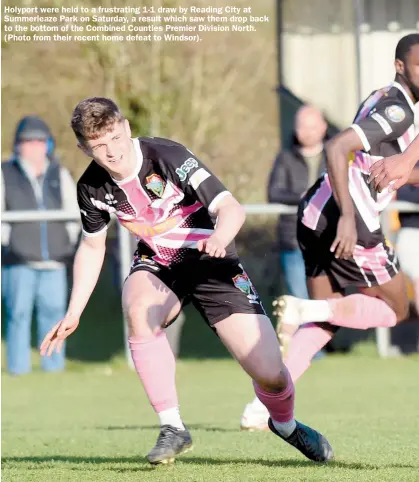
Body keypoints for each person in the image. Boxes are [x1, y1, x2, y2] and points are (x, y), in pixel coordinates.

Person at [40, 97, 333, 465]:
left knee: (271, 375)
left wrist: (220, 238)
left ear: (126, 128)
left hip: (211, 258)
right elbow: (92, 245)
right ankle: (173, 426)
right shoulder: (92, 188)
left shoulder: (168, 156)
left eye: (115, 138)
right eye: (99, 146)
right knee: (138, 305)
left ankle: (286, 425)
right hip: (160, 262)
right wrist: (74, 311)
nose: (111, 152)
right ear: (84, 148)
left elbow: (231, 209)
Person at [271, 33, 419, 384]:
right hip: (351, 218)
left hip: (314, 212)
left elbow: (381, 164)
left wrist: (406, 175)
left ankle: (262, 407)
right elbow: (337, 147)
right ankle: (304, 307)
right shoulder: (397, 111)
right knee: (396, 309)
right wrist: (349, 220)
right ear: (400, 66)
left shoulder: (381, 97)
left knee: (326, 321)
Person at [240, 105, 328, 432]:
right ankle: (295, 360)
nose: (305, 130)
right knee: (298, 299)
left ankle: (310, 352)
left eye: (310, 123)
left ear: (322, 126)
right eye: (300, 124)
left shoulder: (337, 153)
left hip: (329, 241)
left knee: (323, 301)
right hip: (294, 239)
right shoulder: (286, 157)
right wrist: (310, 196)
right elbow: (275, 191)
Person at [1, 116, 79, 375]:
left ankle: (54, 368)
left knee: (56, 317)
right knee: (17, 316)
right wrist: (9, 242)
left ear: (47, 145)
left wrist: (66, 242)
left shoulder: (60, 173)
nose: (34, 147)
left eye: (39, 141)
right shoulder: (5, 173)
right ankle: (18, 369)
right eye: (28, 141)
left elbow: (73, 213)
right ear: (18, 145)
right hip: (18, 262)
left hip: (54, 262)